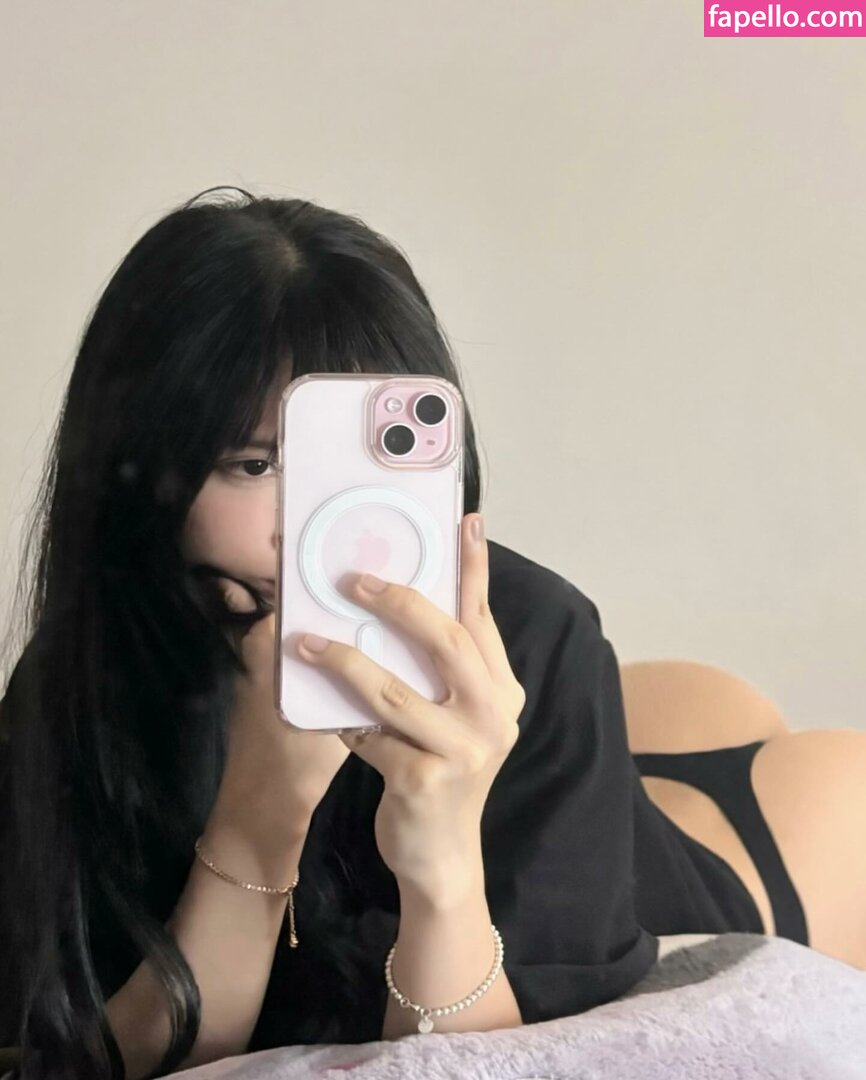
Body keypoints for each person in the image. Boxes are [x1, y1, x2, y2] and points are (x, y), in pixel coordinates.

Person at [1, 187, 864, 1080]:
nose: (312, 525)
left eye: (343, 471)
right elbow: (109, 1058)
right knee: (678, 710)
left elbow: (498, 1061)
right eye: (255, 465)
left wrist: (442, 850)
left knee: (828, 780)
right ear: (137, 468)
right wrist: (259, 821)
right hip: (591, 763)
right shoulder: (82, 674)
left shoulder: (538, 636)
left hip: (701, 847)